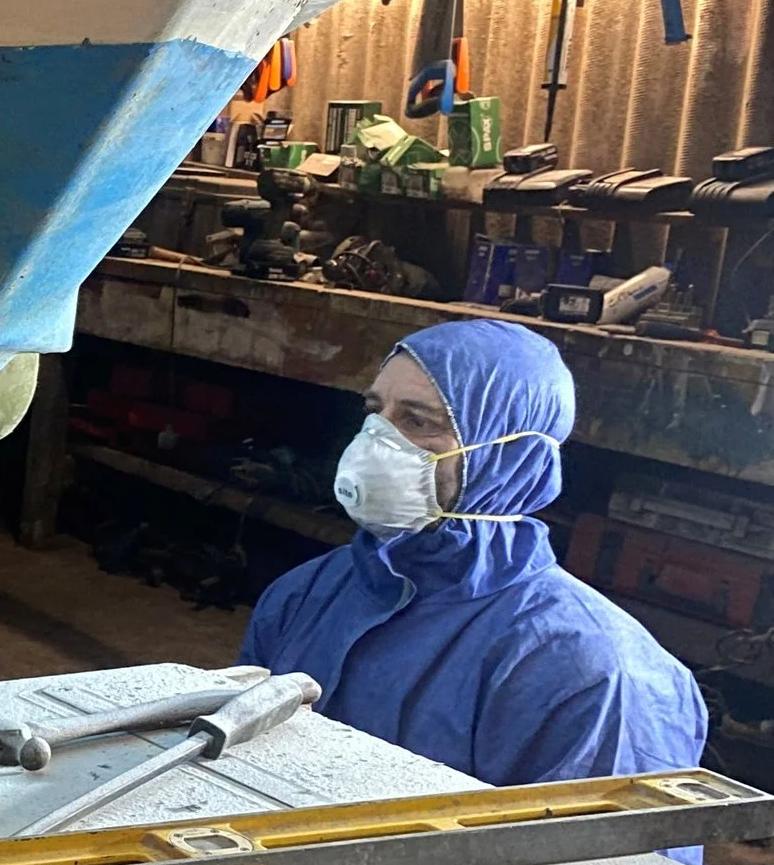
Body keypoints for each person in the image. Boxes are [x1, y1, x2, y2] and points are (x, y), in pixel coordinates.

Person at [241, 316, 707, 786]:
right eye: (374, 410)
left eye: (417, 421)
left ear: (510, 455)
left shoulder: (596, 677)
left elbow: (606, 857)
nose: (375, 441)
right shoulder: (305, 594)